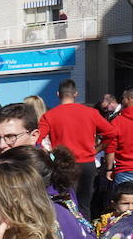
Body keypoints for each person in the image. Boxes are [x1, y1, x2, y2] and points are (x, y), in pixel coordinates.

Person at [38, 79, 118, 219]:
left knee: (65, 203)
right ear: (75, 94)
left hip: (63, 164)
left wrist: (50, 155)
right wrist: (97, 149)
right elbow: (111, 133)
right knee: (84, 204)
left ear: (58, 94)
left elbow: (37, 140)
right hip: (87, 163)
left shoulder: (49, 115)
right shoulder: (90, 112)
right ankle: (86, 235)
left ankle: (69, 232)